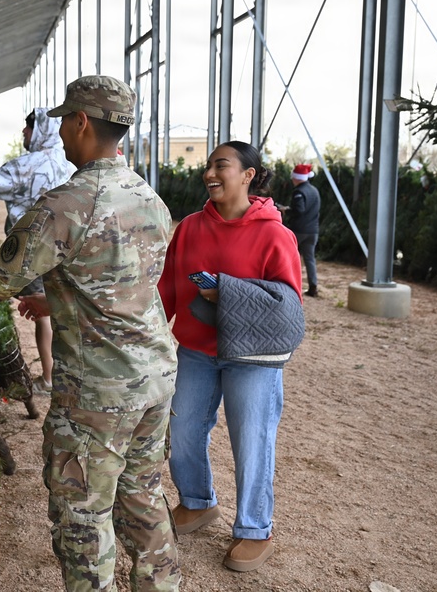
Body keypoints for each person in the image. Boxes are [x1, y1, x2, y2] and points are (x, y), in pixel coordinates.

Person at [0, 76, 180, 591]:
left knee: (84, 517)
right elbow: (124, 285)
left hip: (99, 394)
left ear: (82, 123)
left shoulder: (67, 204)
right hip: (154, 381)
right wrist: (61, 299)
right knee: (144, 500)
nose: (62, 130)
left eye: (65, 120)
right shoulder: (149, 198)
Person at [156, 140, 302, 573]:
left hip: (252, 359)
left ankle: (256, 529)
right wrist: (147, 332)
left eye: (222, 165)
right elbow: (166, 286)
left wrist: (229, 293)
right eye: (208, 166)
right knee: (182, 432)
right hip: (197, 351)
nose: (210, 173)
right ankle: (199, 503)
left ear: (248, 175)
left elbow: (287, 303)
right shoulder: (190, 228)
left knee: (252, 441)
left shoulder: (275, 234)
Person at [0, 108, 75, 395]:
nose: (24, 133)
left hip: (37, 251)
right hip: (67, 249)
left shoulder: (32, 163)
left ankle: (48, 378)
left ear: (40, 130)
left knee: (44, 312)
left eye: (28, 127)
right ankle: (63, 375)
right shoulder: (69, 163)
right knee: (60, 306)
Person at [286, 163, 321, 297]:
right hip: (313, 231)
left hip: (299, 231)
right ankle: (313, 287)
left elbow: (299, 210)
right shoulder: (314, 190)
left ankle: (291, 286)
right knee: (310, 259)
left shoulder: (299, 192)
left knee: (291, 259)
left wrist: (286, 210)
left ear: (297, 178)